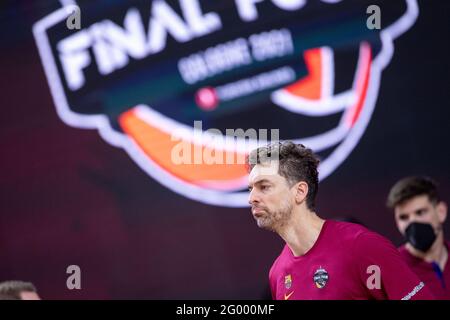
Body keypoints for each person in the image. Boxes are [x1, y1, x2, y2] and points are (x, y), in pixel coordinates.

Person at [246, 141, 434, 300]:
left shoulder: (361, 245)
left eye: (264, 186)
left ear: (300, 192)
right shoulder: (277, 274)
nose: (252, 198)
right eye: (250, 189)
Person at [387, 176, 450, 299]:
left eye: (420, 212)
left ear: (441, 212)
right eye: (404, 217)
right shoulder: (391, 271)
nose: (413, 222)